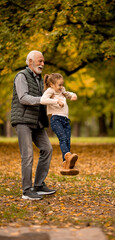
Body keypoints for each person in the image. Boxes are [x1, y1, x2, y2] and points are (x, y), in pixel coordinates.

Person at [11, 50, 56, 200]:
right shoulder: (21, 76)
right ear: (30, 61)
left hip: (37, 121)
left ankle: (39, 185)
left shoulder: (38, 78)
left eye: (43, 61)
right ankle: (26, 190)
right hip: (23, 121)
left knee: (47, 149)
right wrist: (42, 100)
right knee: (27, 155)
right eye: (40, 61)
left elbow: (42, 98)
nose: (42, 64)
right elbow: (23, 98)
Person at [40, 73, 79, 175]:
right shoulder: (50, 90)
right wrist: (56, 101)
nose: (61, 87)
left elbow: (67, 93)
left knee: (67, 140)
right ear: (52, 85)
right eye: (59, 85)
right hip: (56, 119)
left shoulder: (62, 90)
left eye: (62, 84)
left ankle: (66, 164)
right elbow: (42, 100)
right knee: (62, 138)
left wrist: (73, 95)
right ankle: (68, 157)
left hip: (65, 119)